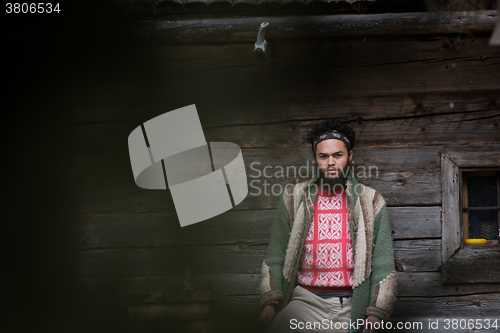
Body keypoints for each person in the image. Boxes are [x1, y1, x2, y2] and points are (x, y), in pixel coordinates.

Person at [258, 120, 397, 333]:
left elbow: (383, 263)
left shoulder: (370, 201)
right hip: (305, 302)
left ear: (350, 156)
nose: (330, 162)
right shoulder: (293, 198)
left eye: (338, 155)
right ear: (315, 159)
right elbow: (275, 255)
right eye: (323, 156)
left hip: (352, 305)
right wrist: (270, 303)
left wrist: (375, 313)